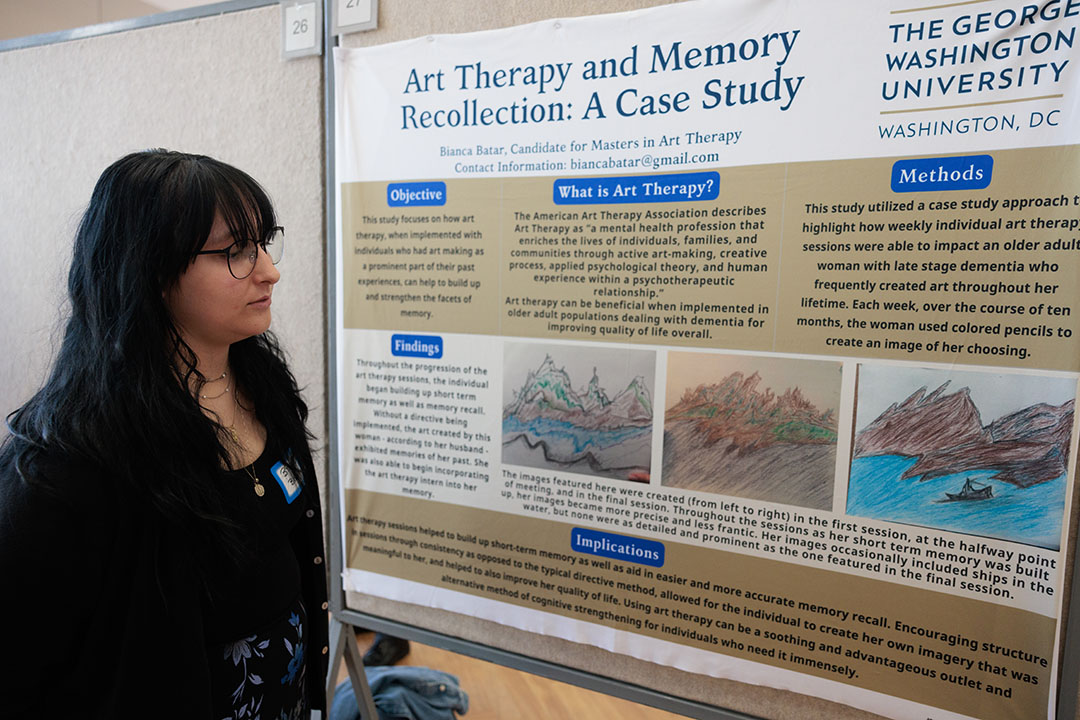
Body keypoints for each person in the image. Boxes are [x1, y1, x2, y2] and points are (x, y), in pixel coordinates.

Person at [0, 150, 328, 718]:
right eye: (237, 252)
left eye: (265, 243)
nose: (269, 271)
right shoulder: (66, 468)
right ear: (150, 271)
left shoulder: (260, 380)